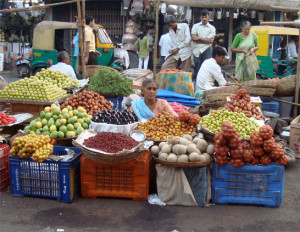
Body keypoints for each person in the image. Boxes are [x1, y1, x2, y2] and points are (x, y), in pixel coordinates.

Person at [191, 9, 216, 82]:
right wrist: (205, 40)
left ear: (208, 17)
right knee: (196, 66)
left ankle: (205, 82)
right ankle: (195, 82)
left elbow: (211, 41)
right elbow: (193, 38)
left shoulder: (212, 28)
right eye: (203, 17)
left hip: (207, 49)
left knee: (206, 67)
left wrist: (199, 38)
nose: (204, 19)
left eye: (206, 17)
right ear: (200, 17)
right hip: (197, 49)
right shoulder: (195, 26)